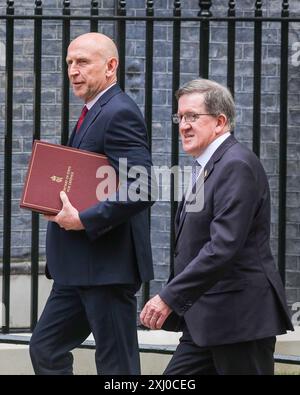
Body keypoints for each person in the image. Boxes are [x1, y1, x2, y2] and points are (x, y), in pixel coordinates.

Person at [140, 78, 293, 375]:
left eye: (192, 117)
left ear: (220, 121)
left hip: (240, 321)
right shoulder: (209, 166)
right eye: (180, 117)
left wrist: (169, 297)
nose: (183, 125)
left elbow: (222, 247)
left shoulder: (236, 165)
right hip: (207, 321)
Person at [29, 32, 154, 375]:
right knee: (46, 348)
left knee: (117, 367)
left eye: (82, 62)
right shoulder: (94, 110)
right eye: (69, 63)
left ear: (111, 66)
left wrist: (84, 218)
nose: (73, 70)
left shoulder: (118, 112)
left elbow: (142, 187)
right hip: (78, 269)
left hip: (106, 269)